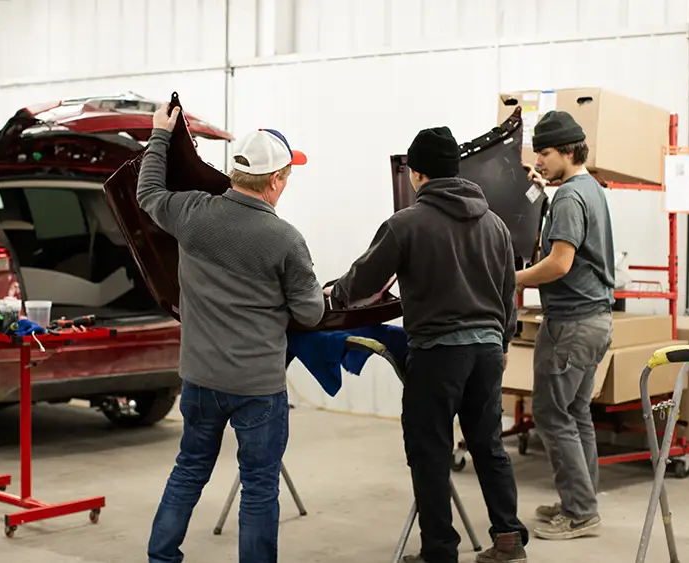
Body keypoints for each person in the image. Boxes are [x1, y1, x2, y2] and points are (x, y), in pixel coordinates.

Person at [327, 126, 529, 563]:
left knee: (430, 451)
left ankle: (440, 551)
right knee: (488, 445)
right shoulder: (495, 224)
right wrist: (505, 339)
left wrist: (332, 296)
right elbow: (507, 288)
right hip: (488, 352)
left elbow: (363, 281)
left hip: (439, 354)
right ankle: (509, 538)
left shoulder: (406, 224)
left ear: (417, 175)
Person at [138, 103, 325, 563]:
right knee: (260, 486)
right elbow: (312, 312)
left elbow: (146, 193)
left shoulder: (190, 212)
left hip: (200, 380)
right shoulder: (285, 239)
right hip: (257, 387)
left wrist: (160, 135)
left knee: (189, 469)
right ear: (276, 181)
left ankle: (161, 558)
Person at [514, 110, 616, 541]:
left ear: (571, 151)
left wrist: (509, 278)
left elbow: (559, 263)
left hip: (572, 323)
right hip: (596, 319)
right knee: (576, 414)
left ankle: (580, 512)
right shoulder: (590, 188)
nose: (540, 160)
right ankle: (581, 500)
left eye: (547, 152)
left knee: (552, 414)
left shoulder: (572, 196)